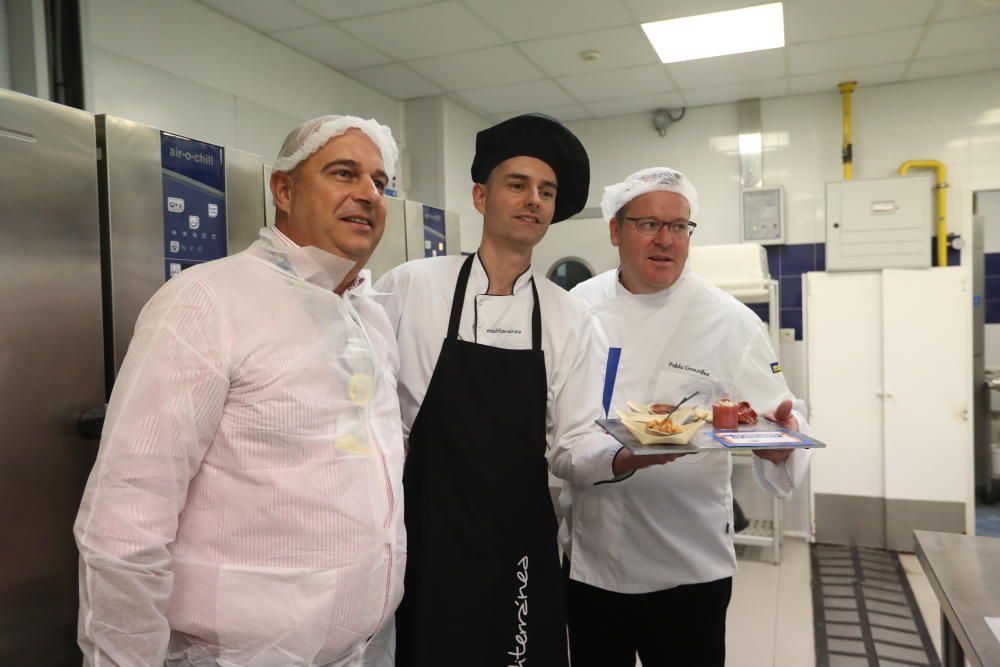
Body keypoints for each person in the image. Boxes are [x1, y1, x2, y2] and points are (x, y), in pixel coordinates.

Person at [74, 115, 406, 667]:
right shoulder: (207, 302)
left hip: (366, 650)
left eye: (379, 182)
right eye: (344, 173)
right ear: (284, 189)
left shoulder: (369, 318)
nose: (368, 194)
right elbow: (126, 519)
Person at [375, 113, 618, 666]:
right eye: (518, 184)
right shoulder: (412, 287)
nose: (533, 199)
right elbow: (372, 412)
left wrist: (627, 456)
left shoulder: (568, 317)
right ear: (481, 197)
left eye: (546, 191)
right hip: (424, 538)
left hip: (518, 543)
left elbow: (573, 444)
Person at [559, 167, 812, 667]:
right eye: (648, 224)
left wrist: (782, 442)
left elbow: (782, 416)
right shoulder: (576, 308)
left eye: (679, 226)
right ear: (614, 230)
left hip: (691, 565)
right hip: (592, 562)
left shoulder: (731, 320)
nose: (666, 240)